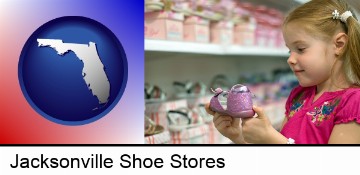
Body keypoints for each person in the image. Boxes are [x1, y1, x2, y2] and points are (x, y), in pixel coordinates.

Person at [205, 0, 360, 144]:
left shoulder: (353, 102)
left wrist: (272, 139)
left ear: (339, 45)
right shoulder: (299, 95)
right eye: (289, 51)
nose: (290, 59)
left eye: (300, 49)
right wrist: (238, 136)